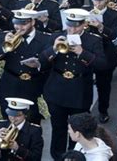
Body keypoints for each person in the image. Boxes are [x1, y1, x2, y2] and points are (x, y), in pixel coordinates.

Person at [39, 8, 106, 159]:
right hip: (57, 89)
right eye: (70, 25)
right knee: (58, 128)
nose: (72, 29)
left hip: (79, 90)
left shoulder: (93, 40)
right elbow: (41, 63)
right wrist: (53, 49)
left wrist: (82, 53)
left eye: (76, 26)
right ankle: (57, 156)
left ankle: (74, 156)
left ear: (84, 25)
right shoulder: (57, 36)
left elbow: (102, 65)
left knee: (78, 129)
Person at [0, 9, 51, 124]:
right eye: (16, 23)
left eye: (24, 24)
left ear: (33, 22)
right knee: (6, 121)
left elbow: (50, 64)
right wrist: (4, 46)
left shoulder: (45, 38)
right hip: (9, 86)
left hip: (32, 88)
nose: (19, 27)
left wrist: (39, 65)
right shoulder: (6, 36)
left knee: (32, 124)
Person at [86, 0, 117, 123]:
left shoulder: (114, 14)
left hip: (105, 53)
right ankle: (86, 110)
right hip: (87, 52)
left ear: (106, 0)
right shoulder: (86, 12)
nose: (96, 3)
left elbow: (114, 35)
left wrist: (101, 26)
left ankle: (103, 110)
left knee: (104, 86)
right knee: (86, 84)